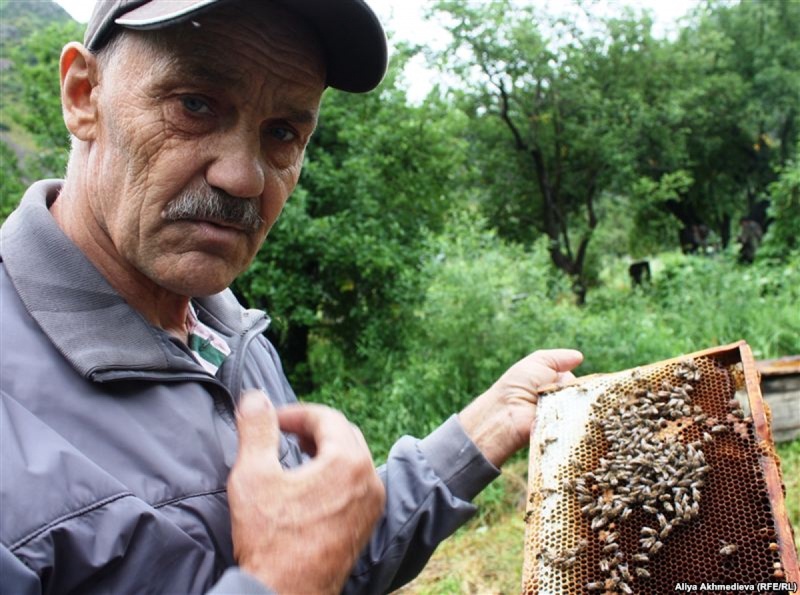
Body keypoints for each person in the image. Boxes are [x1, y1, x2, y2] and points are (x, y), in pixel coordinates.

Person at [0, 0, 582, 593]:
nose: (243, 177)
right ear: (83, 95)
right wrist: (280, 581)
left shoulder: (228, 331)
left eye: (281, 132)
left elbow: (329, 562)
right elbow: (296, 571)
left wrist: (484, 429)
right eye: (194, 104)